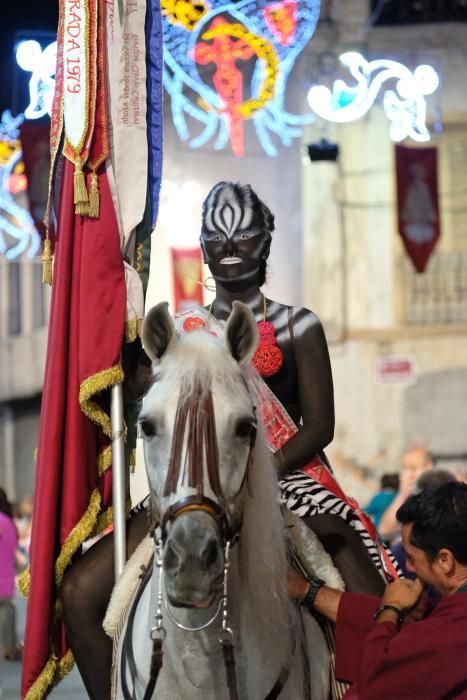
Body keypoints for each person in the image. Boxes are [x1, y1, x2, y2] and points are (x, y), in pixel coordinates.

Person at [60, 182, 396, 698]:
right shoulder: (183, 329)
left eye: (243, 235)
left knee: (355, 567)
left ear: (265, 241)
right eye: (215, 238)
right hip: (193, 480)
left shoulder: (298, 326)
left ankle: (383, 672)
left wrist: (259, 473)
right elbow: (151, 407)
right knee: (81, 591)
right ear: (202, 246)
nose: (230, 248)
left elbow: (320, 427)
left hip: (288, 477)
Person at [289, 481, 467, 699]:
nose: (409, 568)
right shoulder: (452, 616)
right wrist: (306, 590)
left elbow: (375, 683)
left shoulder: (449, 633)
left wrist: (390, 609)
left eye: (411, 558)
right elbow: (414, 624)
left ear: (444, 560)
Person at [378, 446, 433, 543]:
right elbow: (384, 531)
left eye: (414, 468)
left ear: (429, 467)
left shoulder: (437, 496)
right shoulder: (396, 498)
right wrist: (402, 494)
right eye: (405, 468)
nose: (409, 474)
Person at [0, 487, 22, 661]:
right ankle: (9, 647)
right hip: (5, 575)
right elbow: (14, 546)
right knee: (7, 611)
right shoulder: (7, 522)